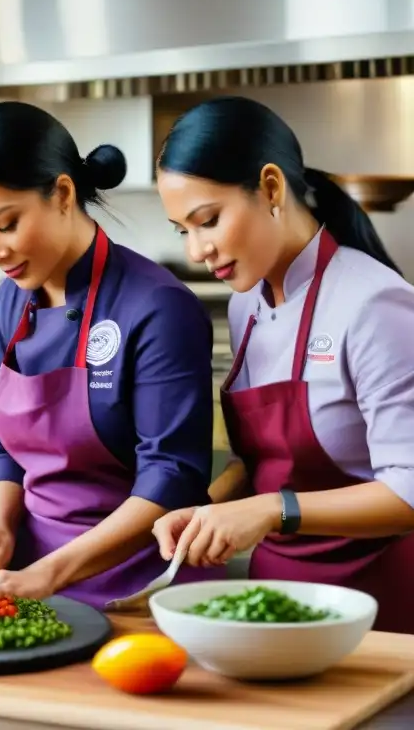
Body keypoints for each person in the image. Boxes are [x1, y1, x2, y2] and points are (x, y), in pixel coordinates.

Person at [0, 100, 222, 607]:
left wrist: (50, 574)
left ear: (63, 193)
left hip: (143, 588)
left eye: (5, 225)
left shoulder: (156, 307)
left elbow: (173, 475)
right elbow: (9, 448)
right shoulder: (10, 299)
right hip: (30, 583)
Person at [152, 95, 414, 634]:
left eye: (208, 220)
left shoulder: (374, 304)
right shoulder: (246, 301)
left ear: (271, 188)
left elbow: (409, 490)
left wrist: (272, 510)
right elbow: (264, 463)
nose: (198, 249)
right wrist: (205, 511)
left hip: (379, 611)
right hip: (275, 605)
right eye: (183, 229)